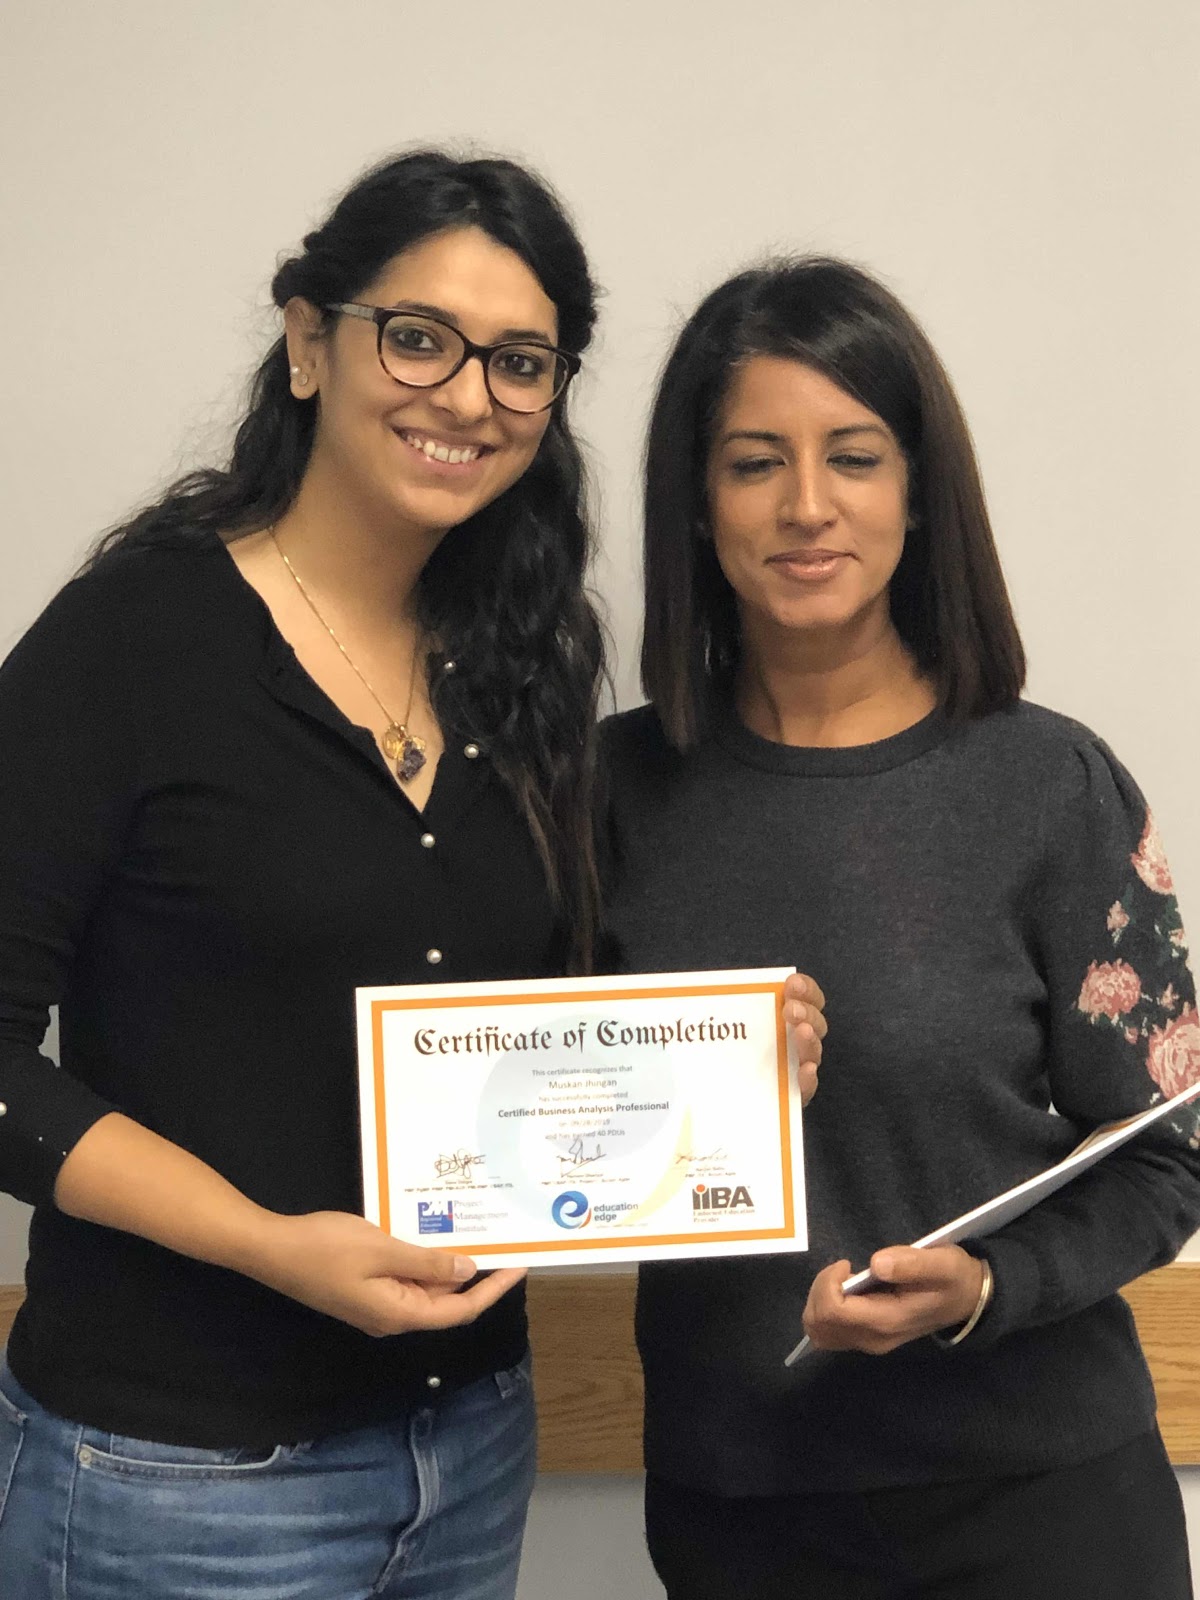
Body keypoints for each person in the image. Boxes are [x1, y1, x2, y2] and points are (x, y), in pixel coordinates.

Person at [0, 148, 606, 1600]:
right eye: (420, 337)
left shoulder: (523, 658)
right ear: (307, 341)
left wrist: (736, 1049)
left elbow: (536, 1020)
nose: (469, 396)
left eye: (521, 363)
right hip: (177, 1480)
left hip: (471, 1449)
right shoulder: (130, 640)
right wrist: (269, 1246)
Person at [601, 257, 1200, 1599]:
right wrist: (694, 1081)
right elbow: (524, 1136)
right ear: (695, 502)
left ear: (918, 491)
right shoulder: (607, 796)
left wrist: (988, 1284)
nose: (807, 506)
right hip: (742, 1510)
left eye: (855, 457)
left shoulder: (1053, 787)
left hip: (1044, 1509)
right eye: (754, 463)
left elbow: (1172, 1152)